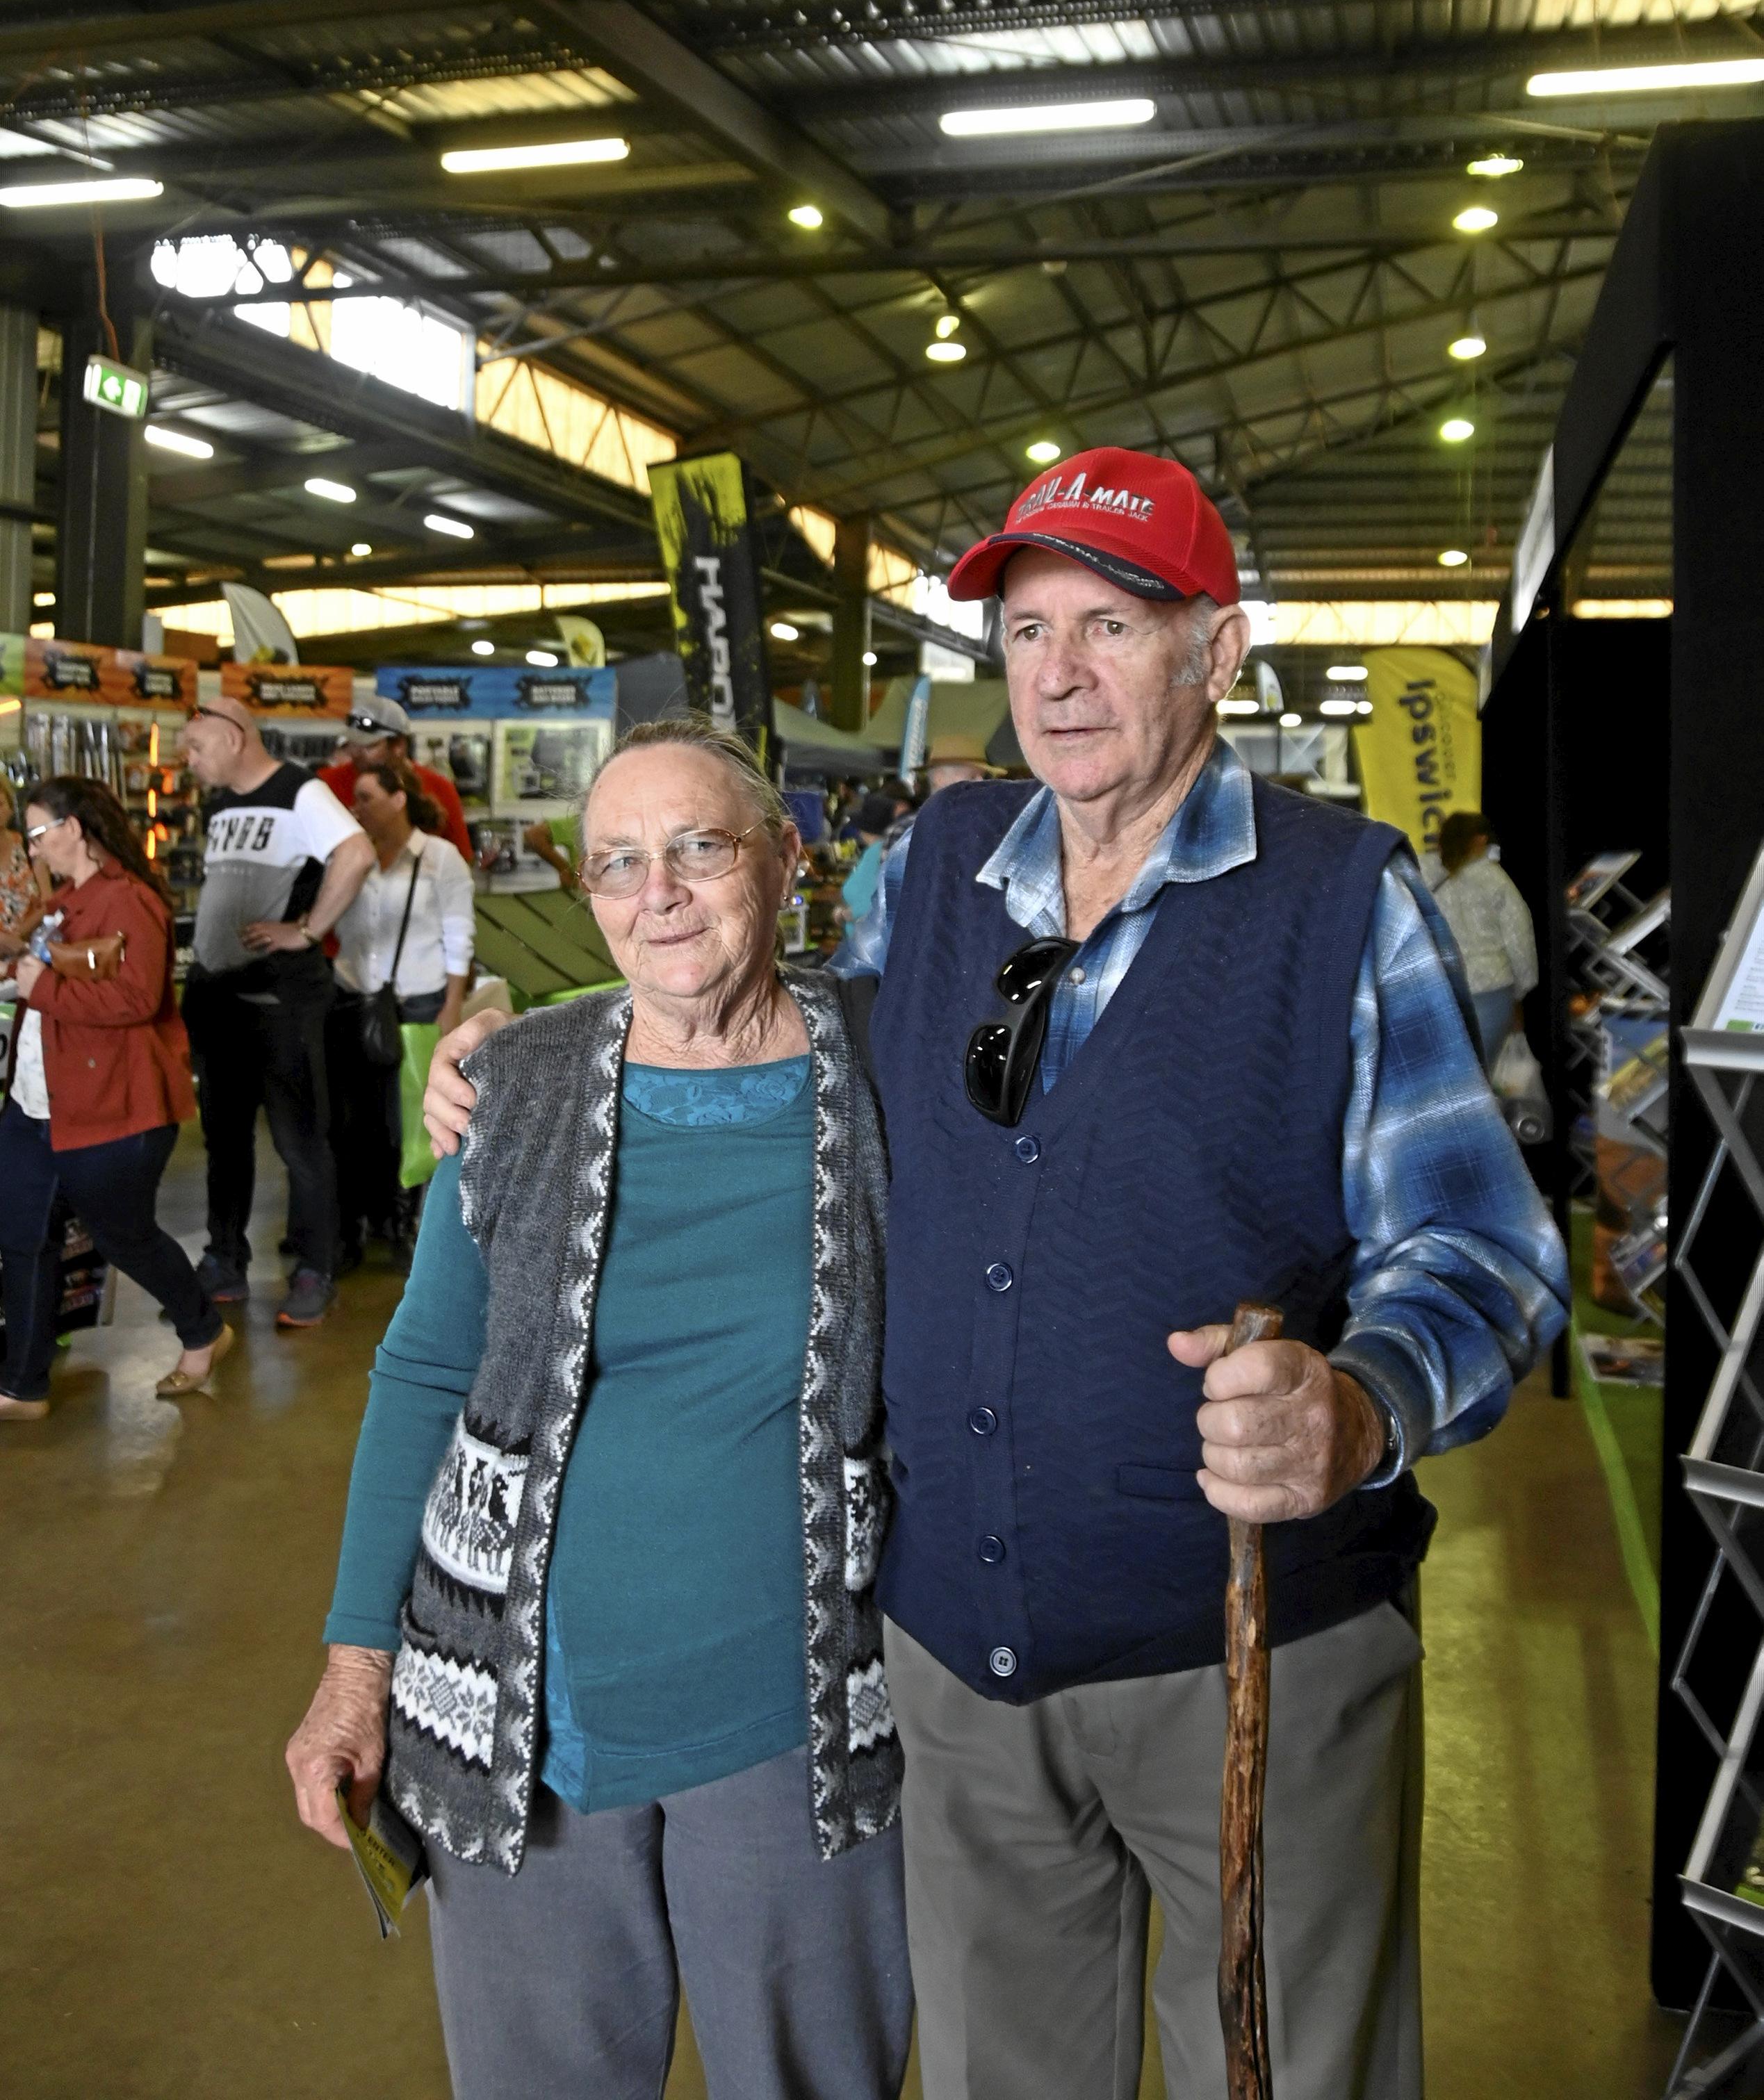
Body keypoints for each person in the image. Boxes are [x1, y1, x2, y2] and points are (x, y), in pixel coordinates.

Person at [423, 443, 1572, 2100]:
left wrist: (1360, 1401)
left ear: (1216, 651)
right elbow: (749, 1010)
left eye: (1108, 626)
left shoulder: (1337, 902)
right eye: (1026, 635)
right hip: (963, 1665)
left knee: (1289, 2071)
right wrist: (528, 1051)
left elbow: (1481, 1247)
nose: (1059, 674)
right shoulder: (948, 875)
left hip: (1243, 1650)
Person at [288, 720, 910, 2100]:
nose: (661, 891)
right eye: (620, 861)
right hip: (519, 1717)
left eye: (699, 845)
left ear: (787, 857)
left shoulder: (883, 1068)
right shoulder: (516, 1080)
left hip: (794, 1717)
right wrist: (354, 1665)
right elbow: (425, 1372)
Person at [0, 777, 229, 1422]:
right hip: (36, 1101)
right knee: (21, 1237)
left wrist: (37, 983)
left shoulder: (129, 902)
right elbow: (52, 977)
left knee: (124, 1237)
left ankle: (203, 1330)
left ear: (75, 828)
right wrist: (22, 973)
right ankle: (22, 1385)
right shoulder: (62, 903)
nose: (34, 848)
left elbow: (134, 1001)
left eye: (40, 833)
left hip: (111, 1106)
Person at [180, 696, 375, 1329]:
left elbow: (356, 852)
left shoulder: (300, 790)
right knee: (225, 1141)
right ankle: (224, 1259)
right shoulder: (221, 805)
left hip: (279, 1002)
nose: (188, 758)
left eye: (196, 745)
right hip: (220, 999)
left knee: (299, 1141)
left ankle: (315, 1268)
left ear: (236, 737)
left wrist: (308, 928)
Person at [327, 764, 474, 1270]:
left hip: (416, 1005)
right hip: (350, 1002)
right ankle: (352, 1227)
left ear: (398, 799)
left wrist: (451, 1007)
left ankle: (401, 1223)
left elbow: (459, 935)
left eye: (366, 797)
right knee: (350, 1125)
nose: (357, 807)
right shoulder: (348, 858)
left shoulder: (440, 859)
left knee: (406, 1122)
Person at [1433, 808, 1540, 1065]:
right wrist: (1523, 988)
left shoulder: (1434, 882)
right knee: (1483, 1071)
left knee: (1456, 1073)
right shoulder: (1496, 882)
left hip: (1446, 988)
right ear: (1479, 840)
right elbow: (1519, 938)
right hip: (1491, 988)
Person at [320, 696, 473, 858]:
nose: (356, 754)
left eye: (369, 746)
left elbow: (461, 859)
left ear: (398, 746)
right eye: (353, 743)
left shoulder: (439, 788)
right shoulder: (325, 784)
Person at [0, 774, 49, 958]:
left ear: (11, 808)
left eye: (0, 805)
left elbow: (48, 901)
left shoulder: (29, 846)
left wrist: (18, 936)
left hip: (29, 950)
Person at [840, 791, 899, 937]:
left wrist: (846, 914)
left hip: (866, 942)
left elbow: (869, 903)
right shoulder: (885, 850)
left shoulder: (875, 853)